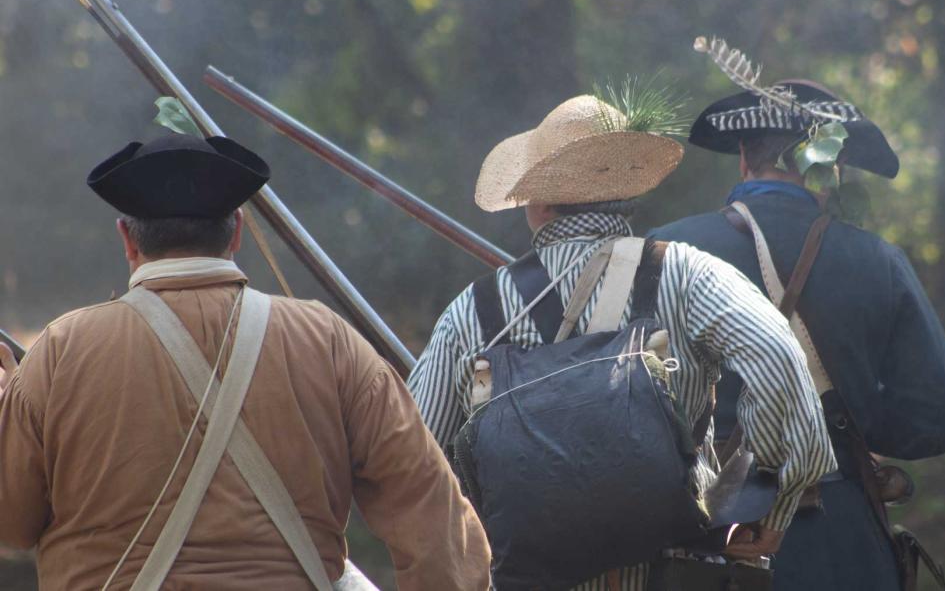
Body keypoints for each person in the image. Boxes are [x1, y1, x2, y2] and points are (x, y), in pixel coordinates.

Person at [0, 133, 490, 590]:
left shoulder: (60, 351)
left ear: (127, 239)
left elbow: (11, 524)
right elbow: (436, 524)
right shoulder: (331, 340)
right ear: (235, 232)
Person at [408, 93, 836, 589]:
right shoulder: (685, 273)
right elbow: (779, 355)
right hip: (676, 572)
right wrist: (771, 505)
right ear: (628, 188)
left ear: (538, 203)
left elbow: (414, 456)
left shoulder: (472, 310)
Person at [649, 79, 945, 590]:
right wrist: (854, 420)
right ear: (830, 168)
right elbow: (942, 416)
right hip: (835, 534)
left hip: (698, 535)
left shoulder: (663, 250)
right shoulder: (878, 261)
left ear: (742, 157)